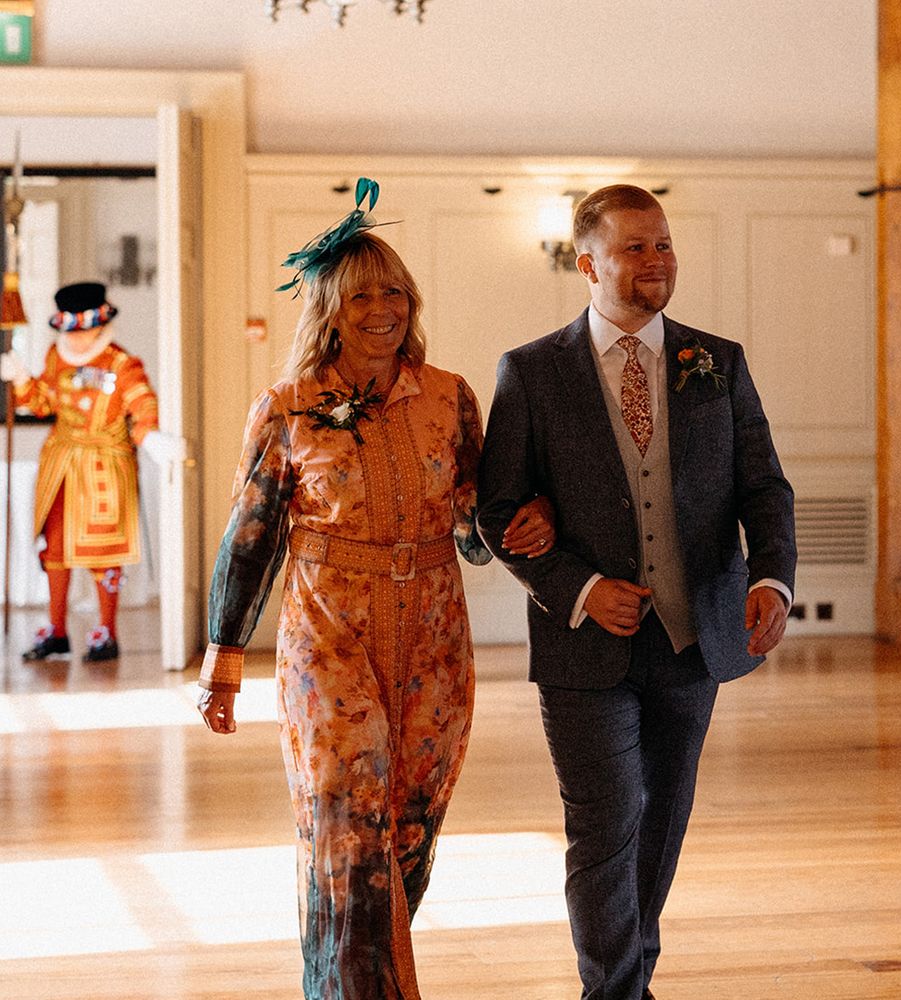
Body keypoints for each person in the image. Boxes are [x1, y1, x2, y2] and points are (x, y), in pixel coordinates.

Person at [195, 178, 554, 1000]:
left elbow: (474, 529)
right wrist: (222, 659)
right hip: (328, 638)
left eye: (395, 291)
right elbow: (250, 540)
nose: (383, 308)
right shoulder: (287, 409)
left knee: (411, 829)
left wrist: (525, 522)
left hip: (433, 637)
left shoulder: (449, 398)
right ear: (328, 308)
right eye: (362, 295)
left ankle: (359, 980)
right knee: (346, 827)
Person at [476, 184, 797, 1000]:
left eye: (664, 244)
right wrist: (579, 588)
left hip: (694, 640)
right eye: (635, 247)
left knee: (661, 823)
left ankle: (629, 977)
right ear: (587, 262)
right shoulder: (531, 371)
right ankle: (614, 992)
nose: (657, 261)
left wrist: (772, 578)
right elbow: (498, 509)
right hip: (584, 648)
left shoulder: (715, 362)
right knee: (603, 825)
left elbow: (764, 485)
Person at [1, 281, 181, 662]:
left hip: (104, 468)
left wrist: (150, 438)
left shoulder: (122, 363)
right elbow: (42, 403)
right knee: (54, 550)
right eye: (71, 332)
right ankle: (57, 629)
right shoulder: (55, 357)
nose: (78, 341)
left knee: (103, 550)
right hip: (61, 467)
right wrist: (21, 380)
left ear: (100, 325)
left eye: (84, 332)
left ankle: (106, 631)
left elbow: (142, 404)